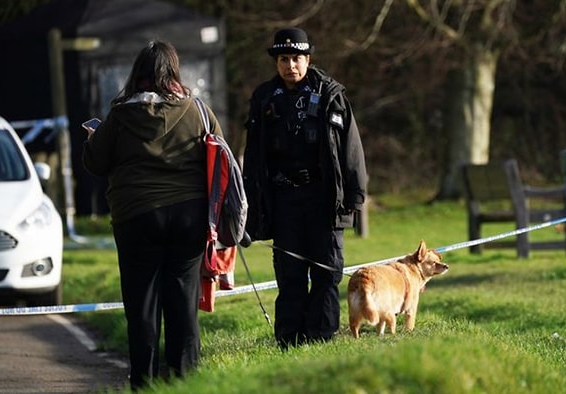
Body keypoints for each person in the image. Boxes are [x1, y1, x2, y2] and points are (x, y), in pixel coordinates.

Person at [82, 40, 224, 390]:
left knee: (142, 303)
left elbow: (96, 163)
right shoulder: (197, 110)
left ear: (138, 72)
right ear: (173, 70)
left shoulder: (120, 114)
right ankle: (183, 381)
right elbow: (220, 154)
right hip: (188, 216)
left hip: (136, 216)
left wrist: (93, 138)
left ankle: (143, 383)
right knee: (182, 300)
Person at [242, 27, 368, 350]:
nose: (290, 65)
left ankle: (322, 338)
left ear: (308, 59)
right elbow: (253, 156)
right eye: (283, 59)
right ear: (276, 62)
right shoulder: (264, 99)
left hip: (323, 197)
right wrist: (248, 201)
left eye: (296, 58)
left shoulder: (330, 94)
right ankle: (289, 341)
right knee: (290, 274)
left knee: (327, 272)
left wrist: (354, 194)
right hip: (283, 199)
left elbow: (350, 146)